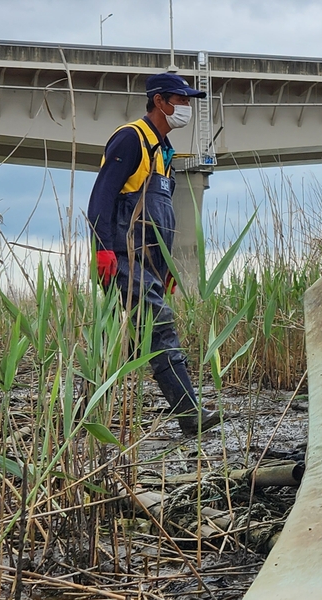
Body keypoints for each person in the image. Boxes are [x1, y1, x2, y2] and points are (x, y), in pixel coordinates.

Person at [87, 72, 221, 435]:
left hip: (149, 262)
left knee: (127, 338)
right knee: (159, 327)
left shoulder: (163, 152)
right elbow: (100, 199)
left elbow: (162, 217)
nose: (187, 108)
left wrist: (167, 266)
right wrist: (103, 251)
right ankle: (190, 413)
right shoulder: (131, 138)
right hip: (123, 256)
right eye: (182, 100)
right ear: (160, 101)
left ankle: (86, 410)